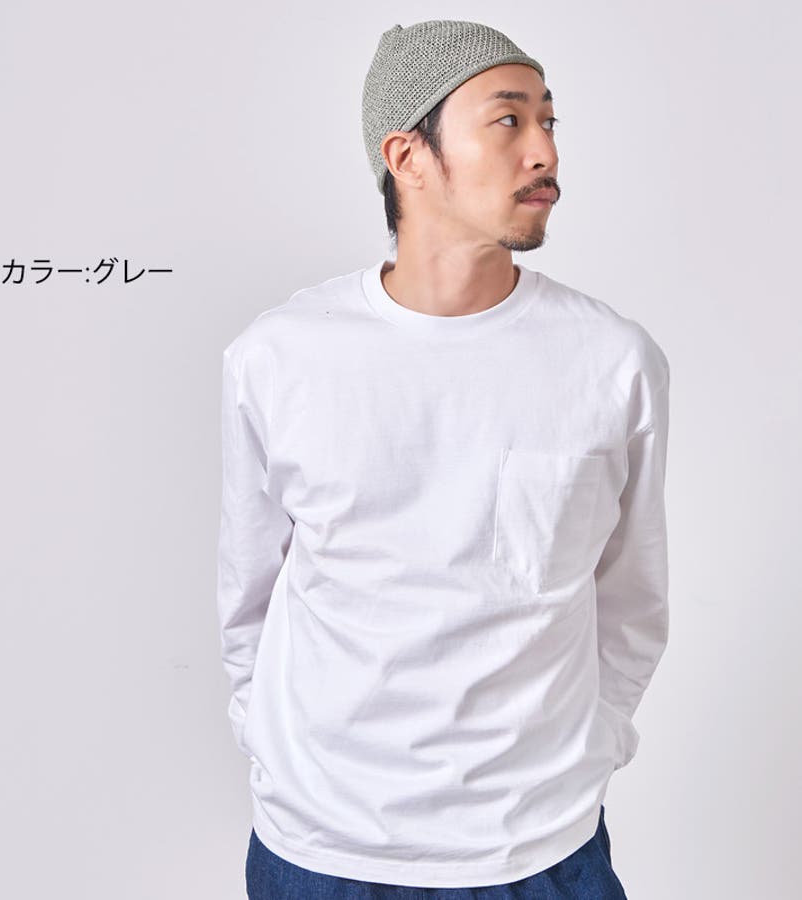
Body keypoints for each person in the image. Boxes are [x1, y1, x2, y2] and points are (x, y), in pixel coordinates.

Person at [217, 18, 670, 899]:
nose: (544, 151)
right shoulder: (280, 358)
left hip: (541, 846)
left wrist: (594, 747)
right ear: (407, 156)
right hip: (325, 848)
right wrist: (270, 745)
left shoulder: (611, 362)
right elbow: (250, 595)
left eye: (549, 121)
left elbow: (633, 596)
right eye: (508, 120)